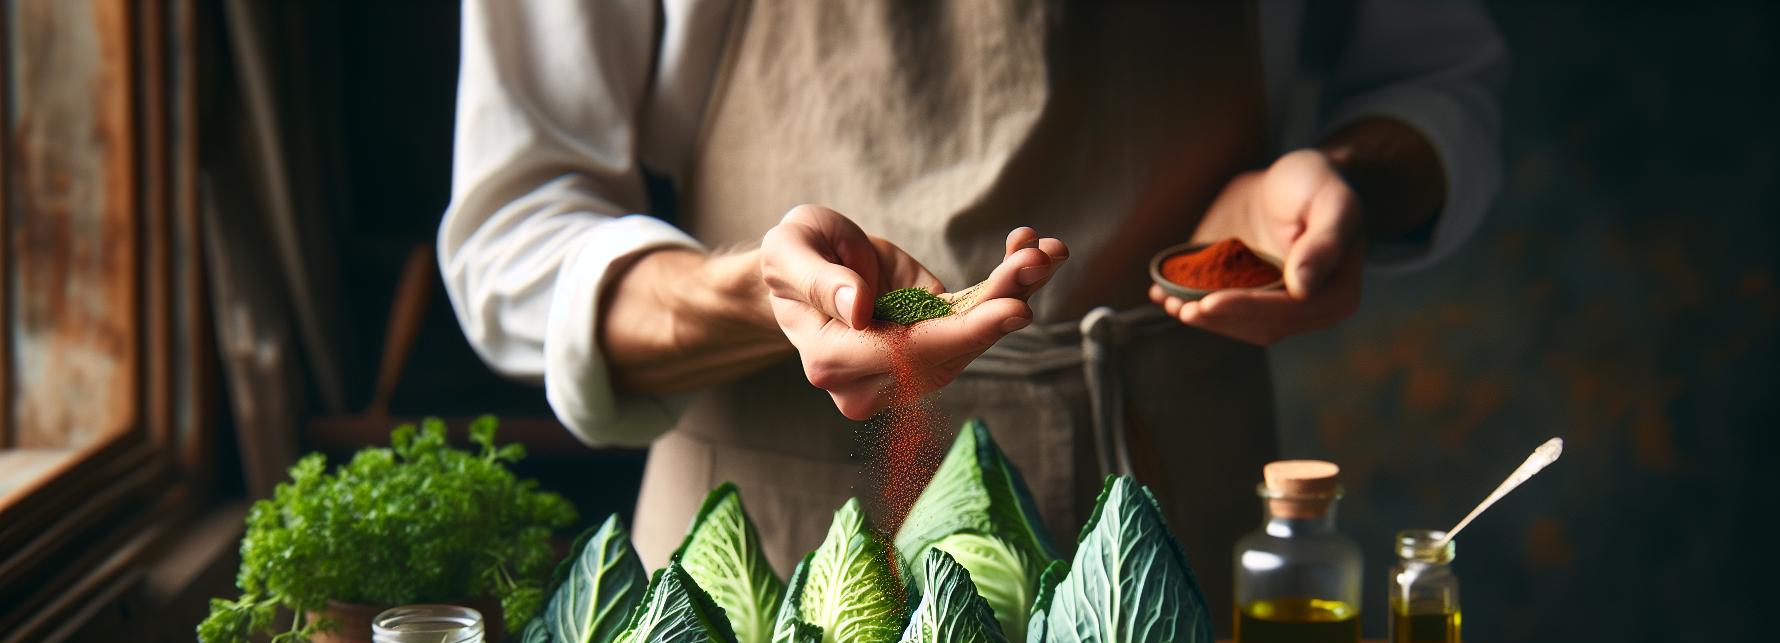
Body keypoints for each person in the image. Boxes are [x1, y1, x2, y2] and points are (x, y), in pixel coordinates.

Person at [439, 0, 1505, 596]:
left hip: (1171, 527)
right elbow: (515, 228)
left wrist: (1344, 175)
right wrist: (751, 294)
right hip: (778, 549)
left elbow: (1438, 76)